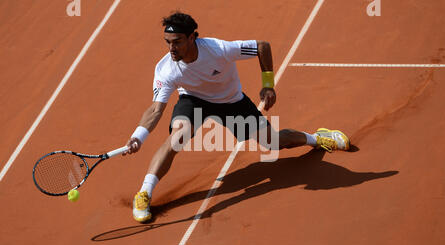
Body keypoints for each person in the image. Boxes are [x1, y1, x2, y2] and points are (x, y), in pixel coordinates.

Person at [122, 12, 350, 223]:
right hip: (193, 100)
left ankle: (317, 138)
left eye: (177, 41)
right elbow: (155, 110)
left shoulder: (218, 49)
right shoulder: (166, 69)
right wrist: (138, 137)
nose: (172, 48)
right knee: (178, 137)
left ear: (193, 38)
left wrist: (268, 86)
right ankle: (144, 193)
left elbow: (262, 47)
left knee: (274, 142)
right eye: (168, 42)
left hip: (232, 103)